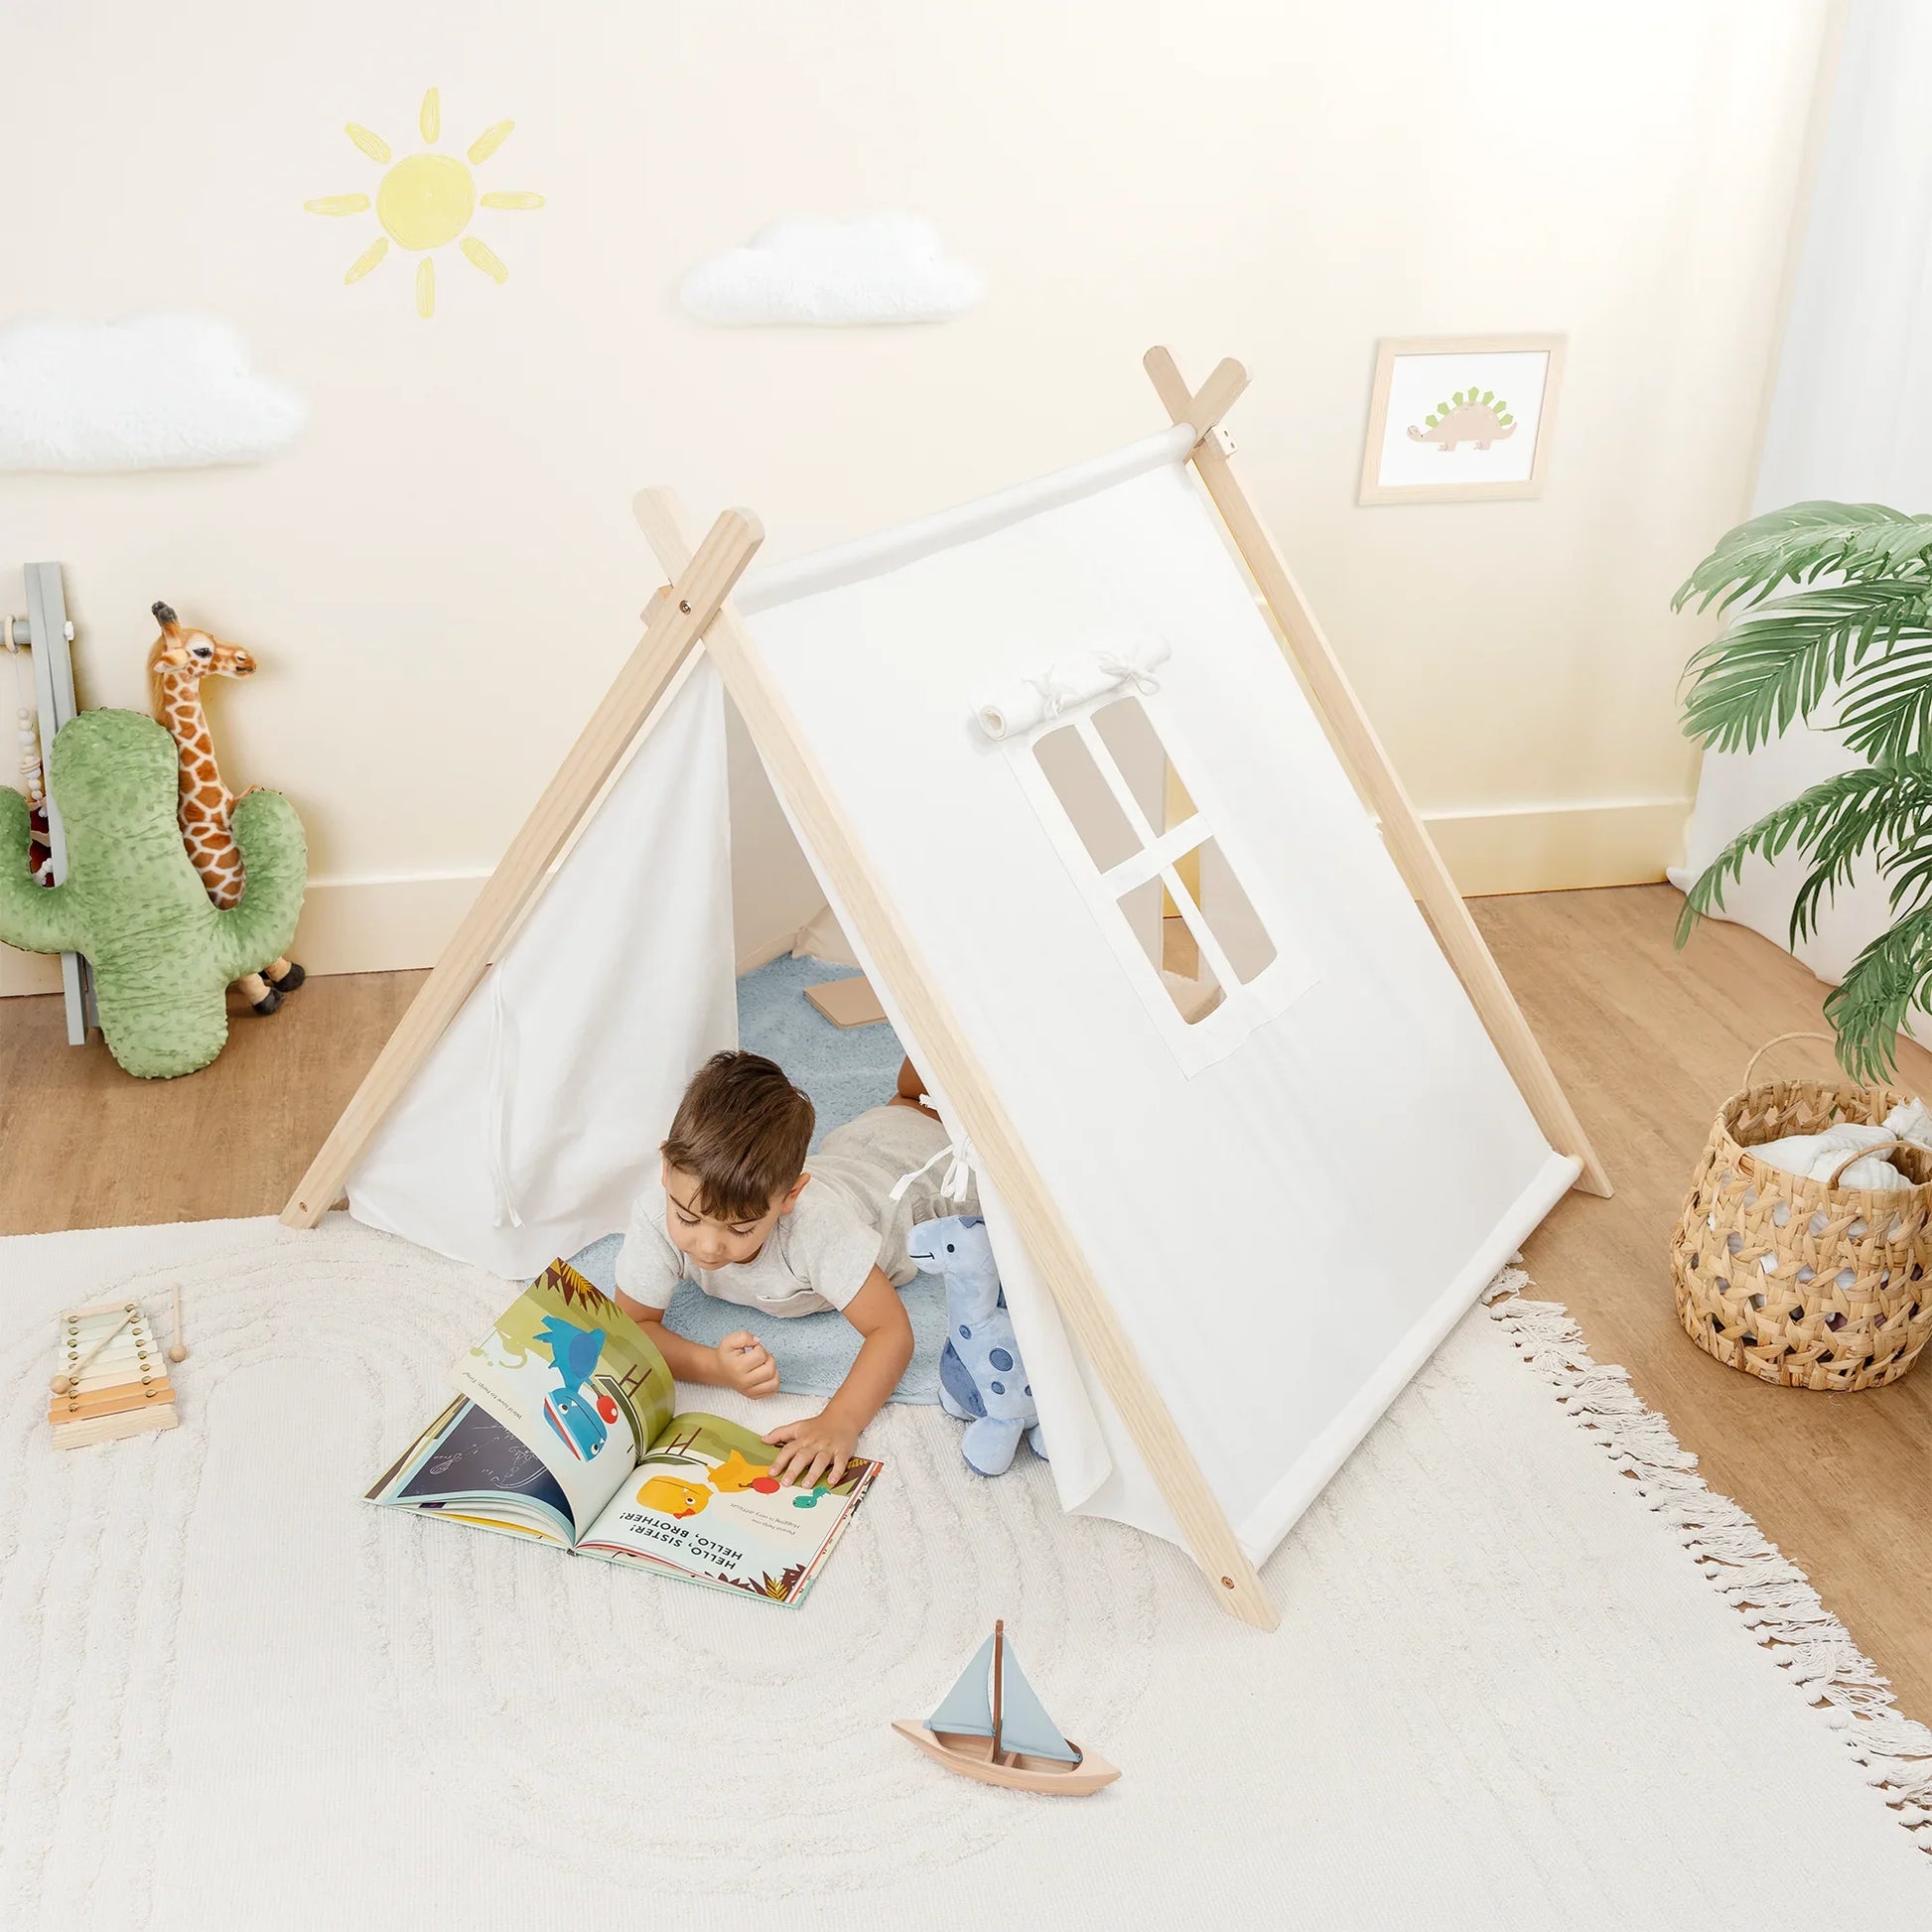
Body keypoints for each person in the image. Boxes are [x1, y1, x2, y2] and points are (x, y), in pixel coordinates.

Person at [614, 1048, 974, 1489]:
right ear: (666, 1167)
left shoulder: (817, 1229)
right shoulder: (656, 1215)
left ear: (790, 1197)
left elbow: (892, 1332)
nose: (707, 1246)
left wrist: (840, 1421)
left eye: (740, 1228)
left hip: (921, 1175)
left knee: (980, 1120)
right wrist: (714, 1367)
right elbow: (632, 1328)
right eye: (688, 1218)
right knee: (912, 1095)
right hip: (861, 1142)